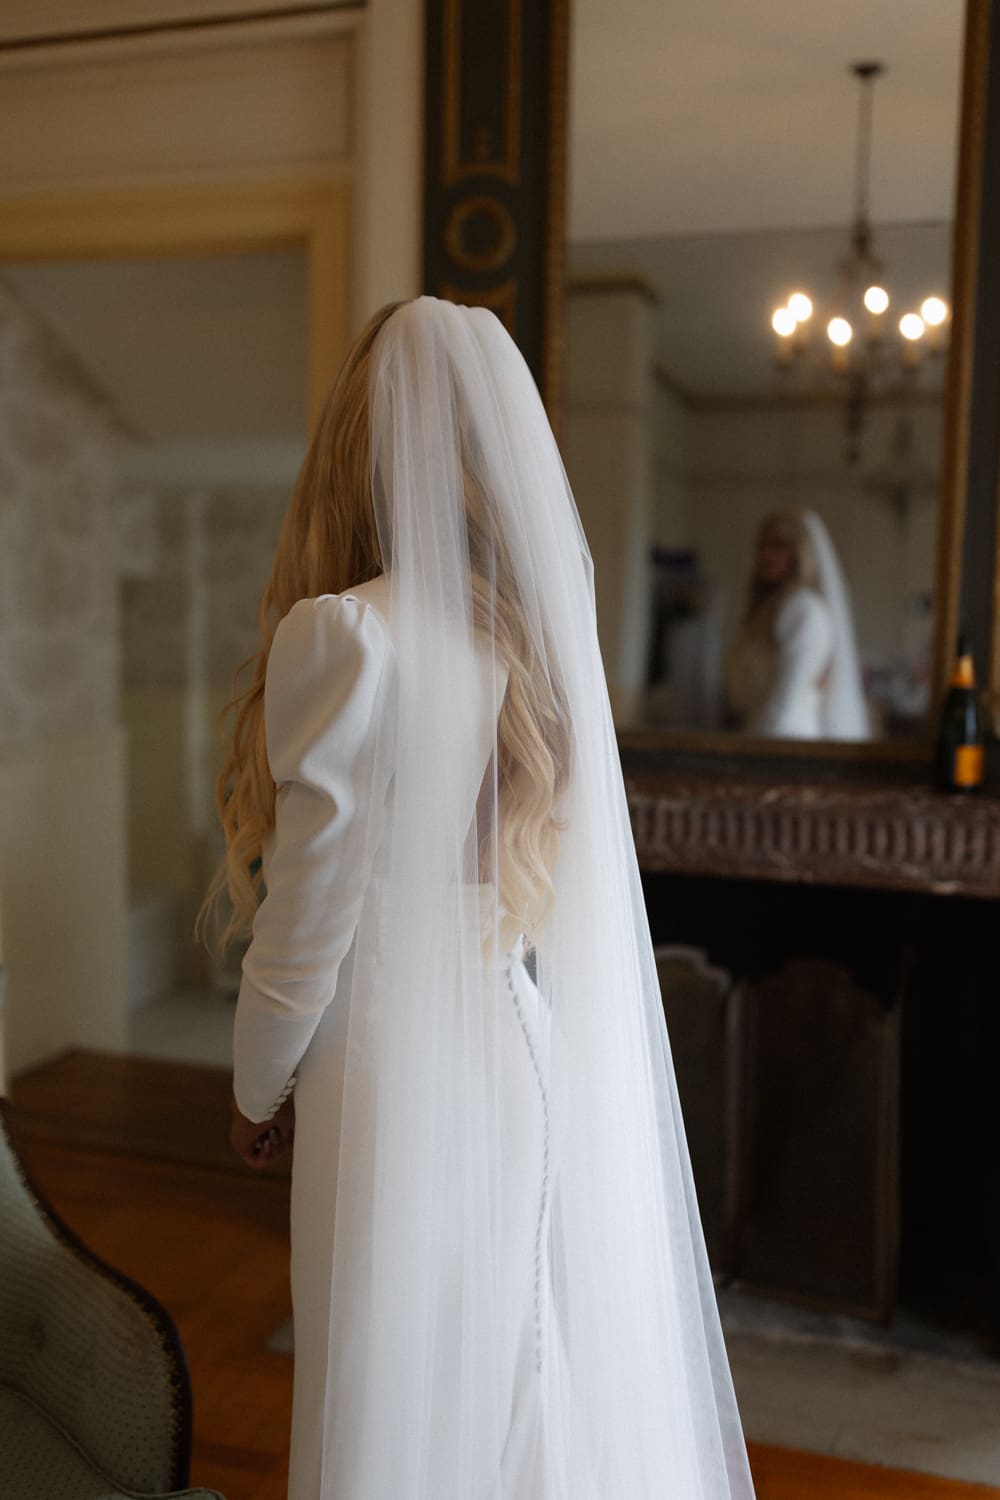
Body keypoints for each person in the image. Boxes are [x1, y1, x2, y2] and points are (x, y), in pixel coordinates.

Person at [202, 297, 756, 1500]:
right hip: (518, 1042)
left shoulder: (348, 634)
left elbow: (309, 919)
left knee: (381, 1376)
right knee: (515, 1358)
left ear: (360, 445)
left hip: (388, 1063)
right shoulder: (528, 640)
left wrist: (256, 1083)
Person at [725, 508, 870, 740]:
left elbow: (787, 698)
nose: (766, 555)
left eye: (778, 547)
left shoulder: (804, 610)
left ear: (798, 553)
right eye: (762, 546)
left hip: (785, 736)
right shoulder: (772, 609)